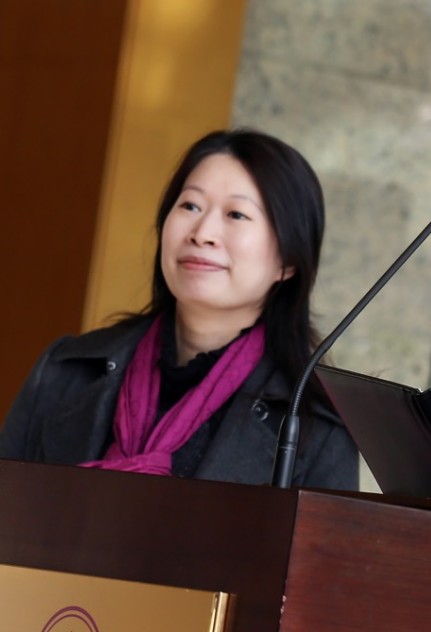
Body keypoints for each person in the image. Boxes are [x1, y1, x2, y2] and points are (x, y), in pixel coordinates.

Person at [0, 129, 358, 490]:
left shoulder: (316, 426)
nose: (202, 233)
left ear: (288, 261)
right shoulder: (65, 370)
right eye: (190, 206)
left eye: (236, 214)